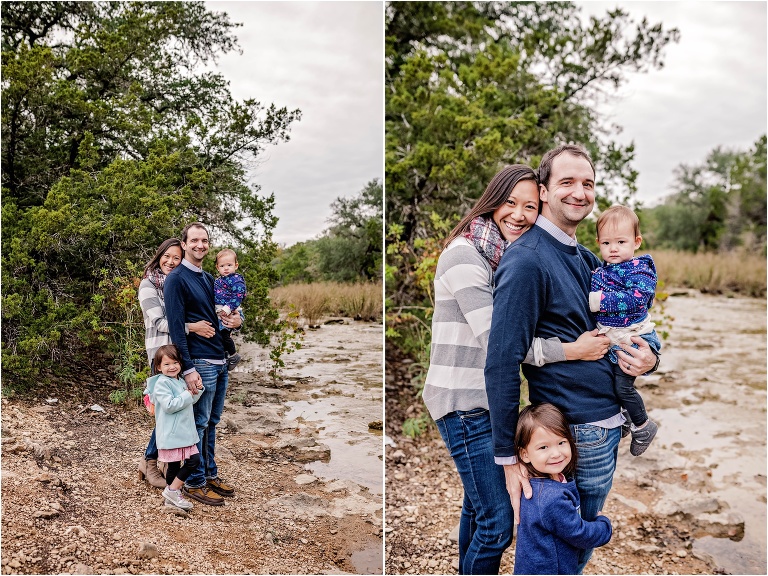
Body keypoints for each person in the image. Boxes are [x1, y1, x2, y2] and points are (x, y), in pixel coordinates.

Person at [422, 165, 610, 575]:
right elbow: (499, 342)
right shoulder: (463, 255)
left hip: (481, 400)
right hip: (463, 401)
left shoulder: (498, 256)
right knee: (497, 525)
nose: (519, 215)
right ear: (492, 202)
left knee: (476, 507)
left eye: (529, 206)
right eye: (510, 203)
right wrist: (571, 351)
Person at [484, 144, 659, 572]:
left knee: (565, 545)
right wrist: (508, 457)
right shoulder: (527, 261)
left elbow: (631, 317)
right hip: (574, 432)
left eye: (588, 183)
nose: (579, 192)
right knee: (567, 547)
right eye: (566, 182)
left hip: (601, 423)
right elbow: (502, 360)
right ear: (543, 191)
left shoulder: (584, 257)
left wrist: (651, 358)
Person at [165, 222, 242, 506]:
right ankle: (194, 482)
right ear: (184, 244)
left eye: (205, 240)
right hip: (199, 362)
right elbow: (175, 328)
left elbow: (224, 314)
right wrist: (188, 369)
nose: (200, 245)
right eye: (194, 240)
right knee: (197, 423)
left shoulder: (210, 278)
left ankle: (209, 473)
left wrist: (237, 320)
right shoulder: (177, 279)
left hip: (219, 359)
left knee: (212, 422)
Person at [137, 238, 214, 489]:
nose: (171, 261)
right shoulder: (149, 285)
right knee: (165, 411)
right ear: (159, 256)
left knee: (178, 411)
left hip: (181, 355)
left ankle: (168, 461)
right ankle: (149, 462)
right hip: (162, 356)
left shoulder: (179, 281)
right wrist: (193, 327)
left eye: (176, 258)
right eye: (166, 256)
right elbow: (159, 322)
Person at [590, 205, 662, 456]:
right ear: (598, 242)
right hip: (615, 338)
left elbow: (638, 298)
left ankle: (642, 425)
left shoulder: (639, 269)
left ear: (636, 242)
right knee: (609, 381)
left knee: (623, 387)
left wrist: (598, 301)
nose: (613, 248)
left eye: (621, 241)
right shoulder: (600, 269)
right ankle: (624, 419)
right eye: (607, 242)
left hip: (635, 336)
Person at [513, 403, 612, 575]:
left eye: (561, 442)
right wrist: (604, 525)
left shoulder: (538, 483)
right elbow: (579, 534)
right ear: (525, 454)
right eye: (544, 447)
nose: (556, 453)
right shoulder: (551, 499)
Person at [143, 344, 203, 511]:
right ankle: (172, 492)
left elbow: (189, 400)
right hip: (171, 432)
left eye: (175, 362)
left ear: (181, 364)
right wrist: (188, 394)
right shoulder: (162, 383)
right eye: (166, 364)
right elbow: (170, 405)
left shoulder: (180, 380)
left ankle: (171, 493)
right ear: (158, 367)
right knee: (177, 464)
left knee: (192, 461)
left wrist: (197, 389)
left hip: (185, 432)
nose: (172, 367)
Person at [213, 248, 247, 371]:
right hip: (220, 311)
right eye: (222, 266)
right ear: (217, 267)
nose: (226, 268)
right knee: (219, 335)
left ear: (236, 265)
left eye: (229, 265)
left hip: (231, 310)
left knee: (224, 335)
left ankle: (233, 355)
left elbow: (238, 296)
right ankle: (225, 355)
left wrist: (228, 308)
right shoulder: (217, 280)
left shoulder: (236, 279)